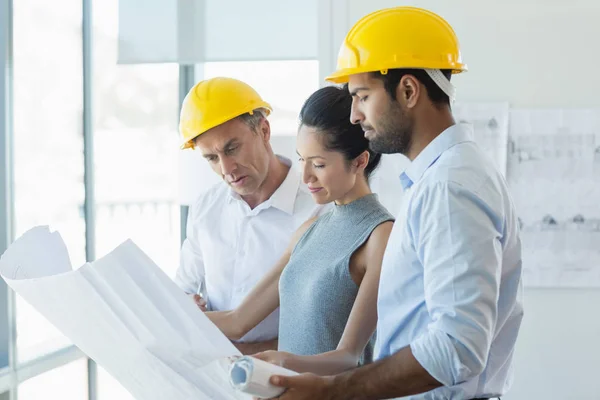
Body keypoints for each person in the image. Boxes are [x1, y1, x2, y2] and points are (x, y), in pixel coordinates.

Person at [268, 6, 523, 399]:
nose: (354, 116)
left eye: (363, 96)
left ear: (408, 91)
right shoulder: (438, 179)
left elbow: (457, 347)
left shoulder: (449, 186)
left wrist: (332, 390)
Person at [207, 85, 394, 375]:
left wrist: (284, 362)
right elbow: (238, 320)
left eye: (318, 164)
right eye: (301, 159)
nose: (305, 176)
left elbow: (349, 357)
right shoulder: (311, 227)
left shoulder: (380, 235)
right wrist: (166, 314)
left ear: (360, 161)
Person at [175, 77, 324, 354]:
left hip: (292, 381)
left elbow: (330, 327)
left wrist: (245, 355)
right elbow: (183, 288)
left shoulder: (318, 208)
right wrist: (187, 304)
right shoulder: (205, 209)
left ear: (264, 130)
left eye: (232, 148)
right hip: (216, 378)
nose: (227, 169)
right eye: (211, 158)